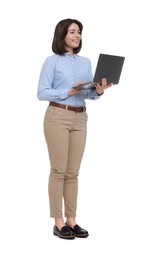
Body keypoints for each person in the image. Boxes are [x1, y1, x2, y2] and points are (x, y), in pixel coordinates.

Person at [37, 18, 112, 239]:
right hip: (58, 115)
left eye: (78, 32)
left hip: (80, 118)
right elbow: (41, 92)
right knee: (58, 171)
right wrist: (67, 92)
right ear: (62, 36)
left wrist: (99, 90)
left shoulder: (86, 62)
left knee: (73, 173)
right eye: (72, 31)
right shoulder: (52, 61)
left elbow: (88, 94)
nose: (77, 35)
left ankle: (72, 220)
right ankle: (58, 222)